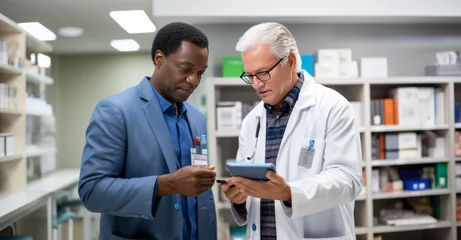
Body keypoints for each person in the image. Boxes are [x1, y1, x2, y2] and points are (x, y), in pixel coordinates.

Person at [220, 22, 362, 240]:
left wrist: (288, 193)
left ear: (291, 61)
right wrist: (240, 198)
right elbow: (251, 191)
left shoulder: (333, 107)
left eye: (263, 73)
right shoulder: (252, 121)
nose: (256, 84)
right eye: (249, 76)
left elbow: (348, 180)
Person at [78, 22, 217, 240]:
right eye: (186, 69)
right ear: (159, 59)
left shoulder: (197, 117)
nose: (194, 80)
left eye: (200, 72)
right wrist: (166, 185)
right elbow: (92, 192)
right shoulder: (115, 111)